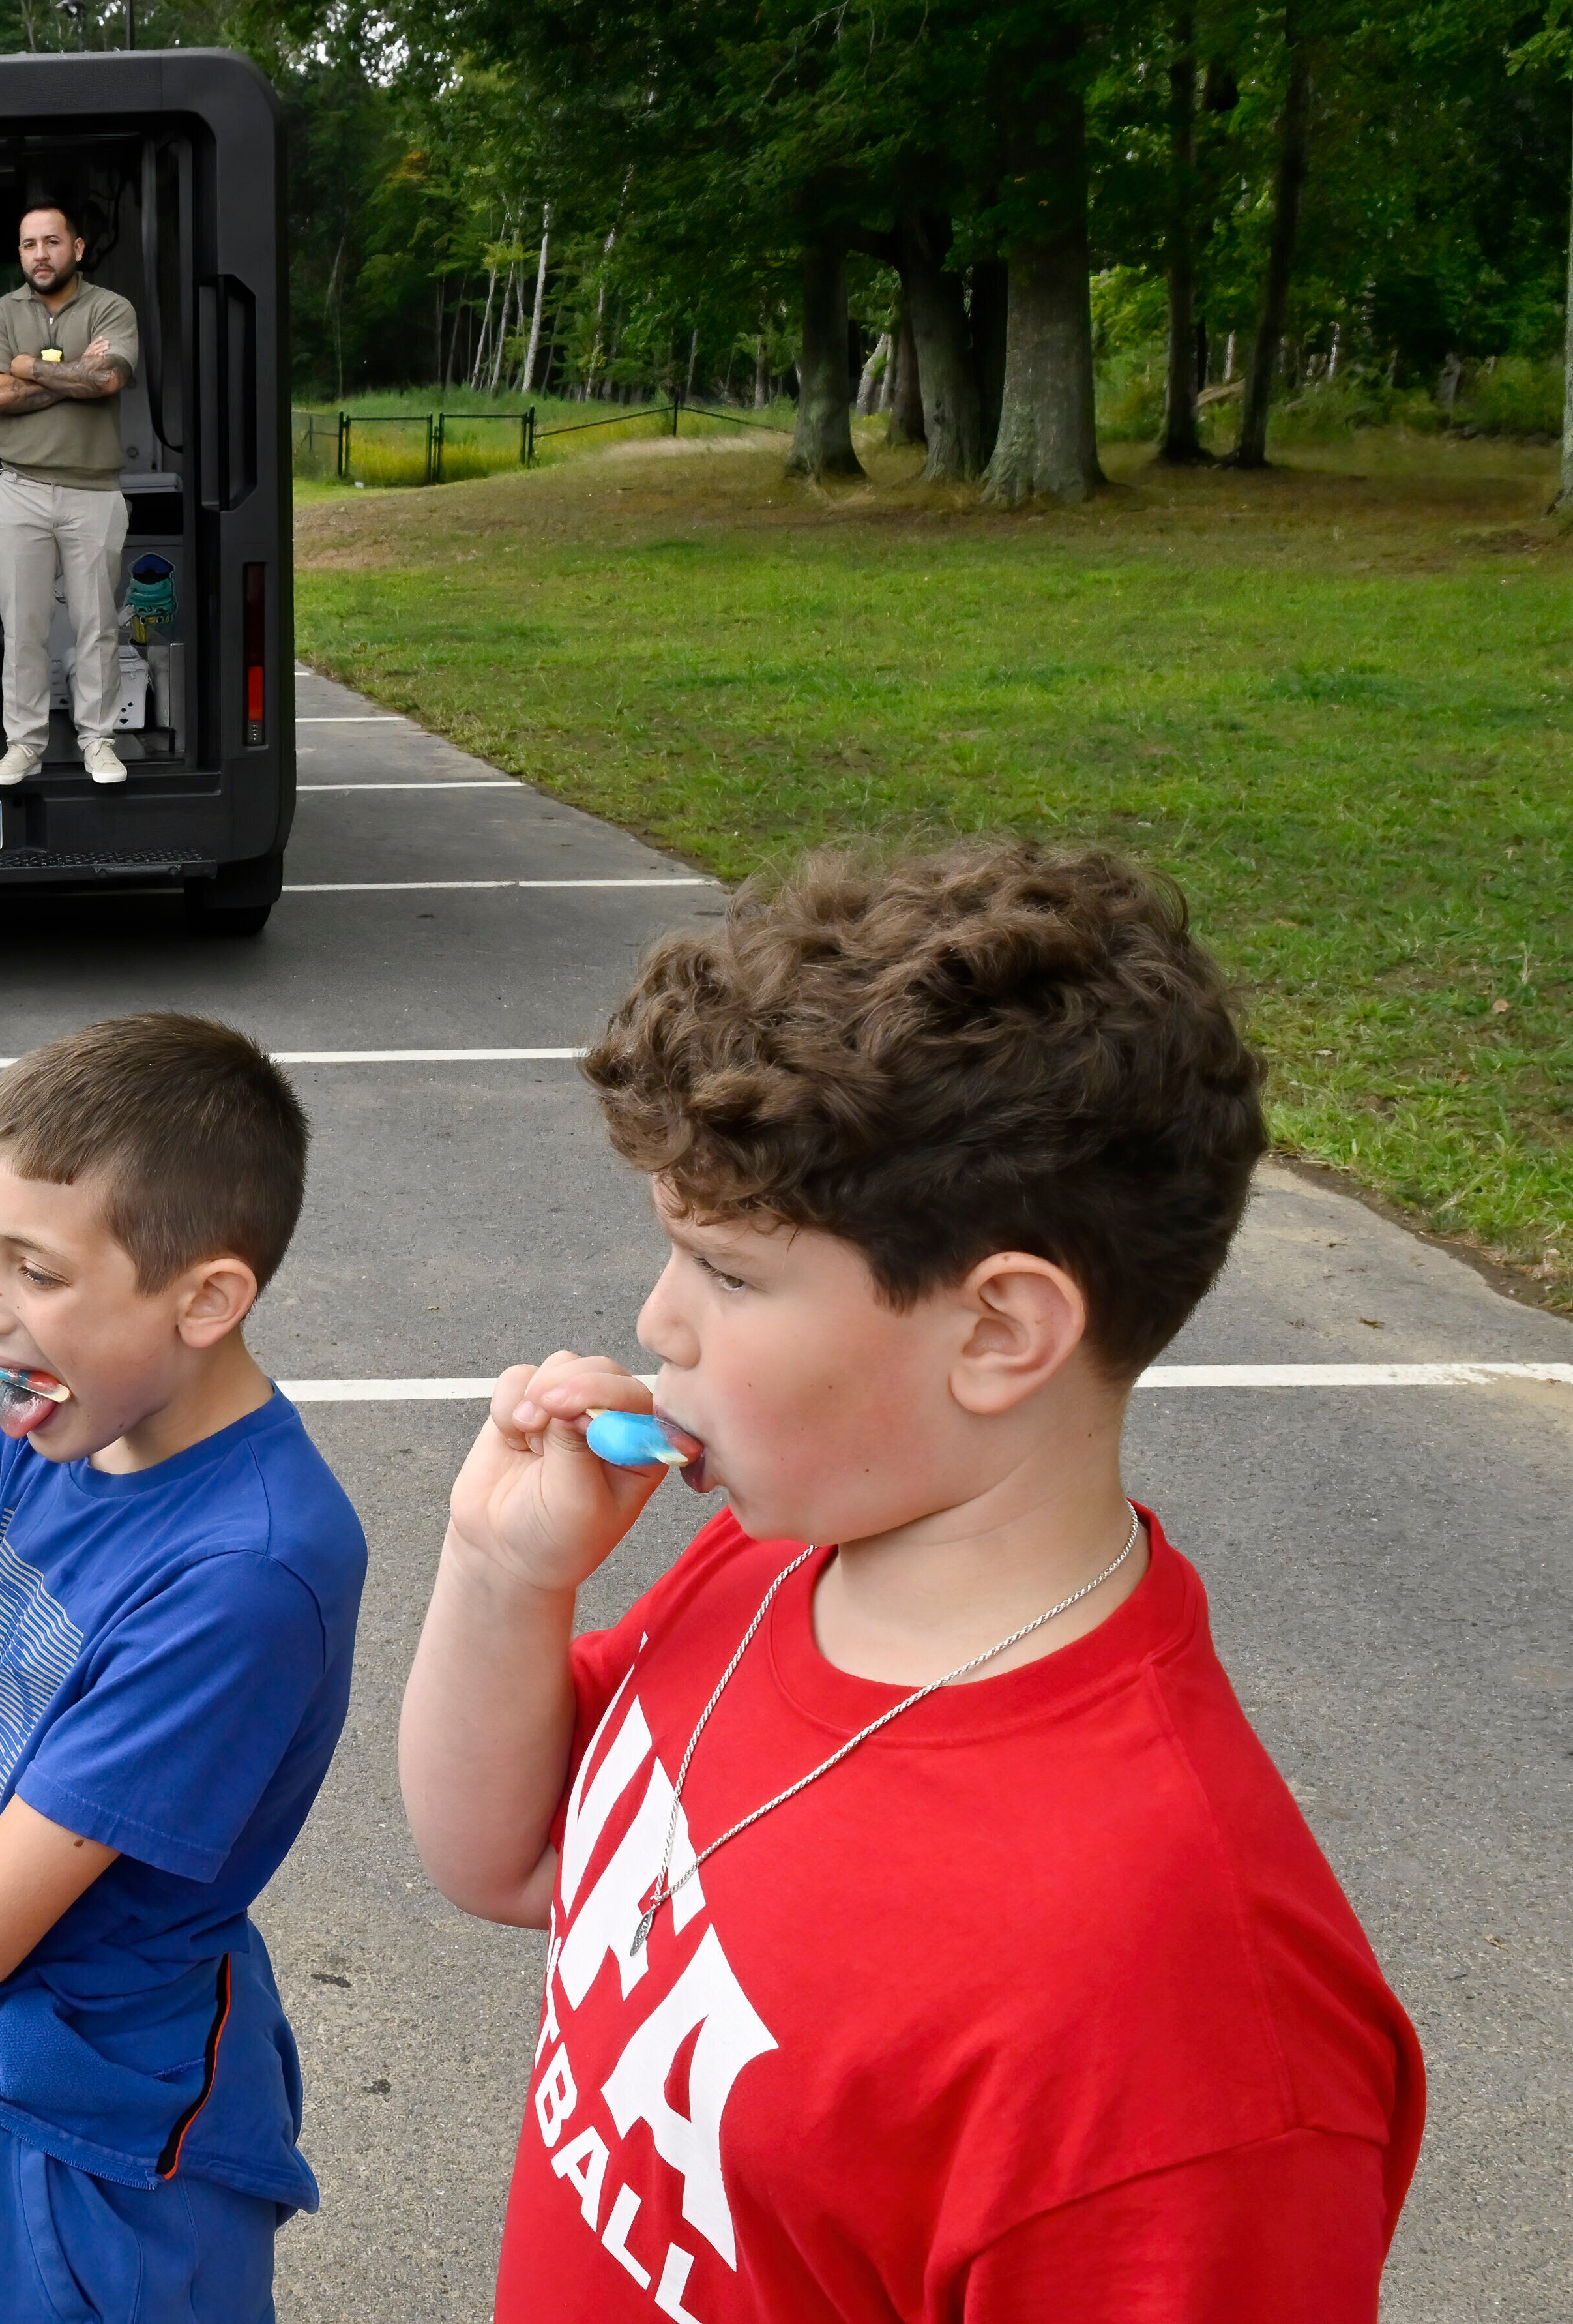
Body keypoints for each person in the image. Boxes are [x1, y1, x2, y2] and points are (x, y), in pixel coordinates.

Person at [396, 844, 1426, 2321]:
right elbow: (506, 1863)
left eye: (727, 1271)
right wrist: (504, 1569)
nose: (657, 1320)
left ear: (1000, 1332)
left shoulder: (1170, 2025)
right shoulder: (778, 1555)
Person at [0, 1013, 366, 2322]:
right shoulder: (56, 1437)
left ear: (206, 1299)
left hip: (102, 2144)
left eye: (35, 1271)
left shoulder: (248, 1569)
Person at [0, 201, 138, 790]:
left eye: (52, 242)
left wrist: (29, 368)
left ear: (78, 248)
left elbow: (108, 378)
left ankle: (98, 741)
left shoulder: (111, 308)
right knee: (24, 630)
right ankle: (24, 745)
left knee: (97, 627)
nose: (40, 255)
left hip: (94, 491)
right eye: (29, 244)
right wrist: (73, 375)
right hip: (21, 488)